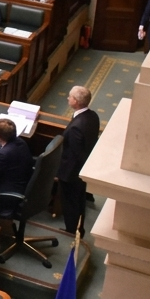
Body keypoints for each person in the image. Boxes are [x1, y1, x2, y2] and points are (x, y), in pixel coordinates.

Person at [59, 86, 100, 234]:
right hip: (83, 169)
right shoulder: (93, 116)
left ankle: (72, 230)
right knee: (79, 199)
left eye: (70, 97)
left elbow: (77, 153)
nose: (67, 98)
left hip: (71, 172)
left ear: (75, 101)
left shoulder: (77, 127)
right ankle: (77, 227)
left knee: (71, 203)